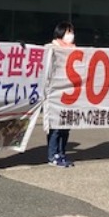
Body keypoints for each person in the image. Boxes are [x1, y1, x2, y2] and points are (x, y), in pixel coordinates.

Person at [46, 21, 76, 167]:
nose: (71, 36)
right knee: (56, 127)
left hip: (70, 93)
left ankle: (62, 153)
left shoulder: (75, 51)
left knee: (66, 126)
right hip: (54, 94)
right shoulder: (51, 49)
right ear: (60, 34)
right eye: (68, 32)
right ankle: (53, 155)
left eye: (71, 32)